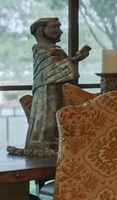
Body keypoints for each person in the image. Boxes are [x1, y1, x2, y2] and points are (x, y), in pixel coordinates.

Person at [18, 17, 87, 157]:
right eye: (55, 27)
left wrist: (75, 59)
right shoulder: (41, 50)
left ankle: (57, 144)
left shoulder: (55, 50)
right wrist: (72, 61)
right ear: (40, 31)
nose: (60, 31)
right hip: (45, 92)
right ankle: (42, 145)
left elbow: (58, 67)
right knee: (46, 119)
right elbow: (49, 71)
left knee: (58, 116)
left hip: (56, 91)